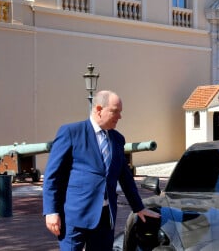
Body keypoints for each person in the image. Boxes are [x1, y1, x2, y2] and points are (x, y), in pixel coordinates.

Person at [43, 90, 160, 250]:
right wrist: (51, 211)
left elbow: (125, 177)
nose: (120, 116)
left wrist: (138, 207)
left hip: (105, 219)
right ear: (99, 110)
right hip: (75, 216)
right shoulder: (71, 132)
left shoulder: (118, 139)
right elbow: (52, 176)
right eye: (115, 111)